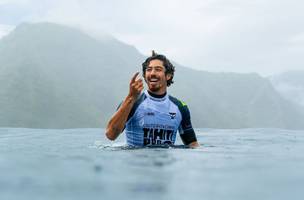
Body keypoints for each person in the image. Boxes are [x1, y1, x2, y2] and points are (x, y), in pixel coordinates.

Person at [105, 51, 199, 148]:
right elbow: (110, 135)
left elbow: (192, 145)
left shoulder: (180, 107)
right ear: (145, 75)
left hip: (167, 163)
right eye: (149, 70)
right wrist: (131, 97)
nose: (152, 73)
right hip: (135, 162)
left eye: (158, 69)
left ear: (168, 75)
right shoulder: (132, 102)